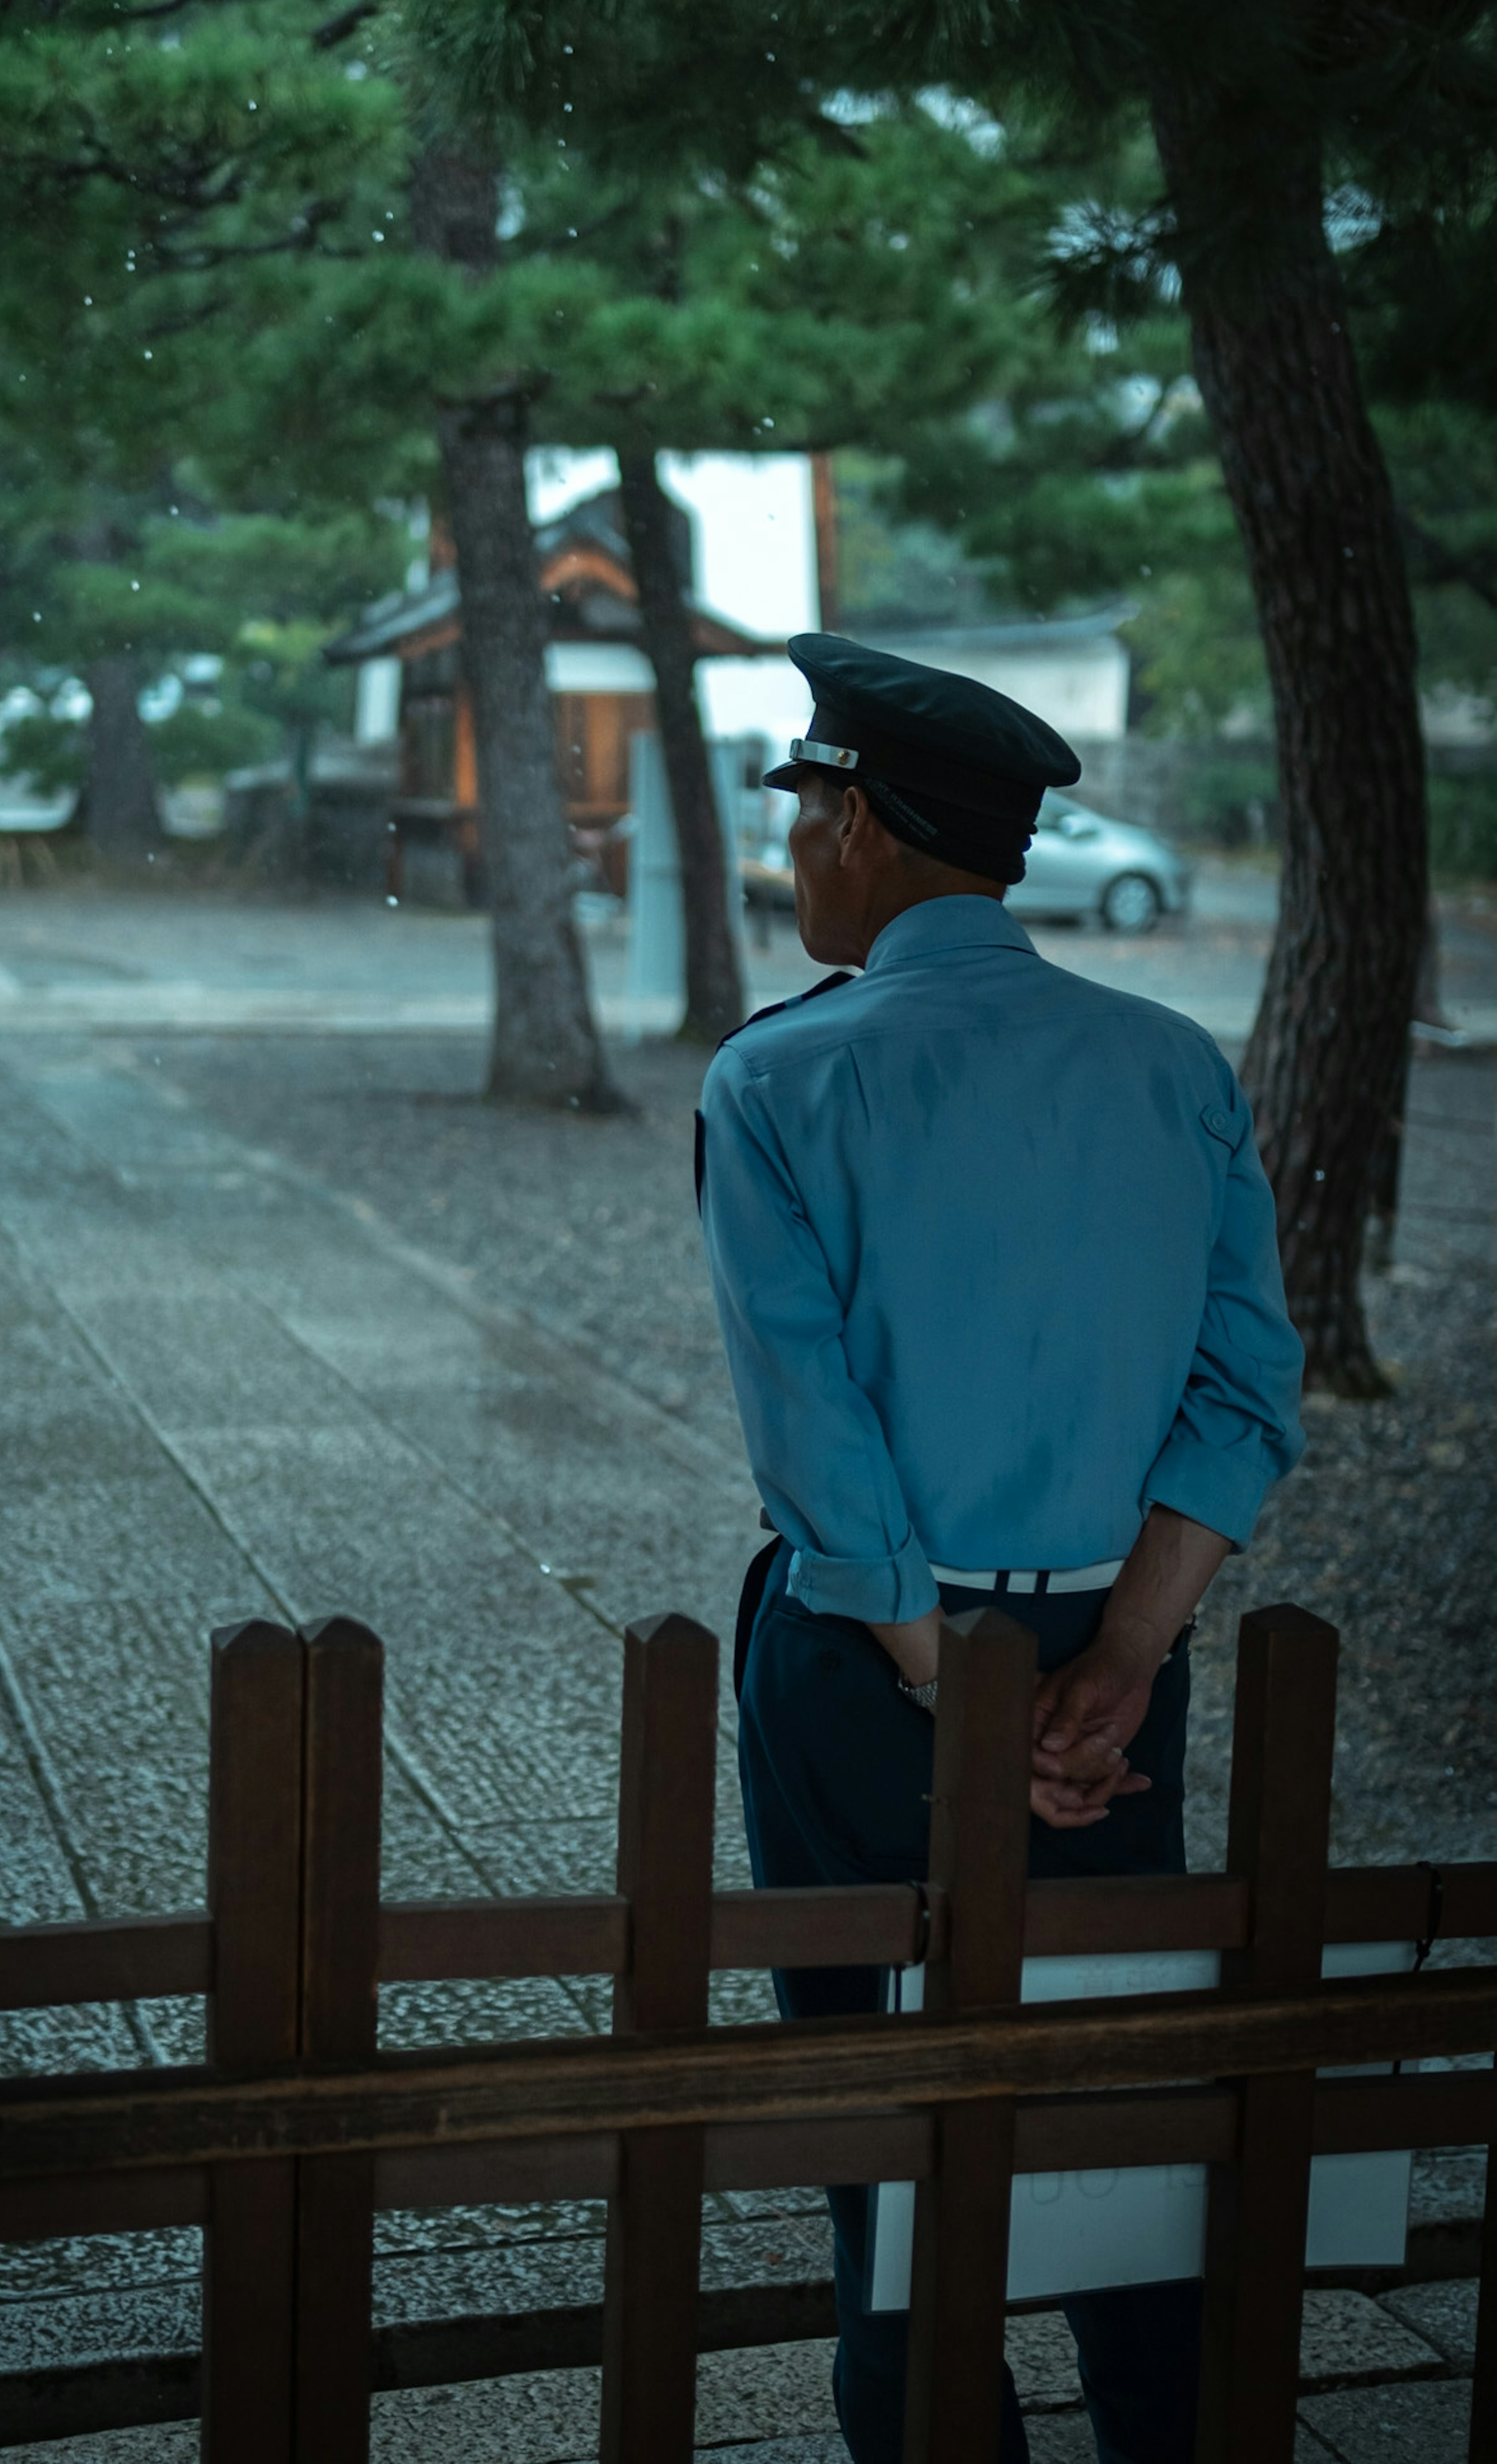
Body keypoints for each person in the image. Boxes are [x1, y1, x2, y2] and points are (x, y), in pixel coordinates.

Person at [696, 634, 1305, 2464]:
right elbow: (1245, 1386)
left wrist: (952, 1696)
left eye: (809, 811)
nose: (795, 851)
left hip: (873, 1683)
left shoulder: (782, 1080)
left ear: (863, 822)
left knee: (894, 2138)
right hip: (1114, 1686)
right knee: (1118, 2114)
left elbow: (821, 1447)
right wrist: (1120, 1659)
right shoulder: (1167, 1064)